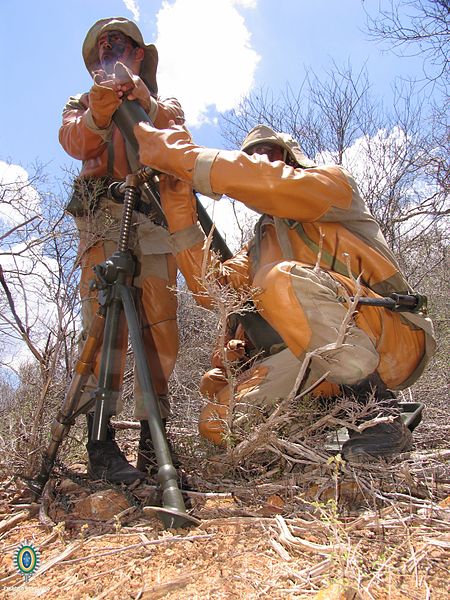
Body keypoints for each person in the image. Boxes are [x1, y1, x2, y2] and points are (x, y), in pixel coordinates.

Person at [133, 121, 436, 462]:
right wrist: (179, 213)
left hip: (385, 333)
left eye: (268, 152)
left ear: (291, 155)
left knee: (278, 280)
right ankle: (313, 434)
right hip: (310, 359)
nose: (260, 159)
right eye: (251, 155)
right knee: (217, 423)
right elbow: (212, 292)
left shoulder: (331, 186)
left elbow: (270, 184)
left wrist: (180, 155)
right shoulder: (258, 246)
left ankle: (379, 414)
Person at [59, 17, 186, 483]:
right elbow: (76, 140)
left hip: (152, 221)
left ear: (138, 54)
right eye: (102, 48)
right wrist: (100, 108)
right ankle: (100, 442)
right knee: (102, 321)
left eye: (120, 45)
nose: (110, 53)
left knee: (160, 326)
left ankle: (156, 441)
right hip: (103, 217)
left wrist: (141, 100)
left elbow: (175, 138)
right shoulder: (82, 103)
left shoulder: (162, 103)